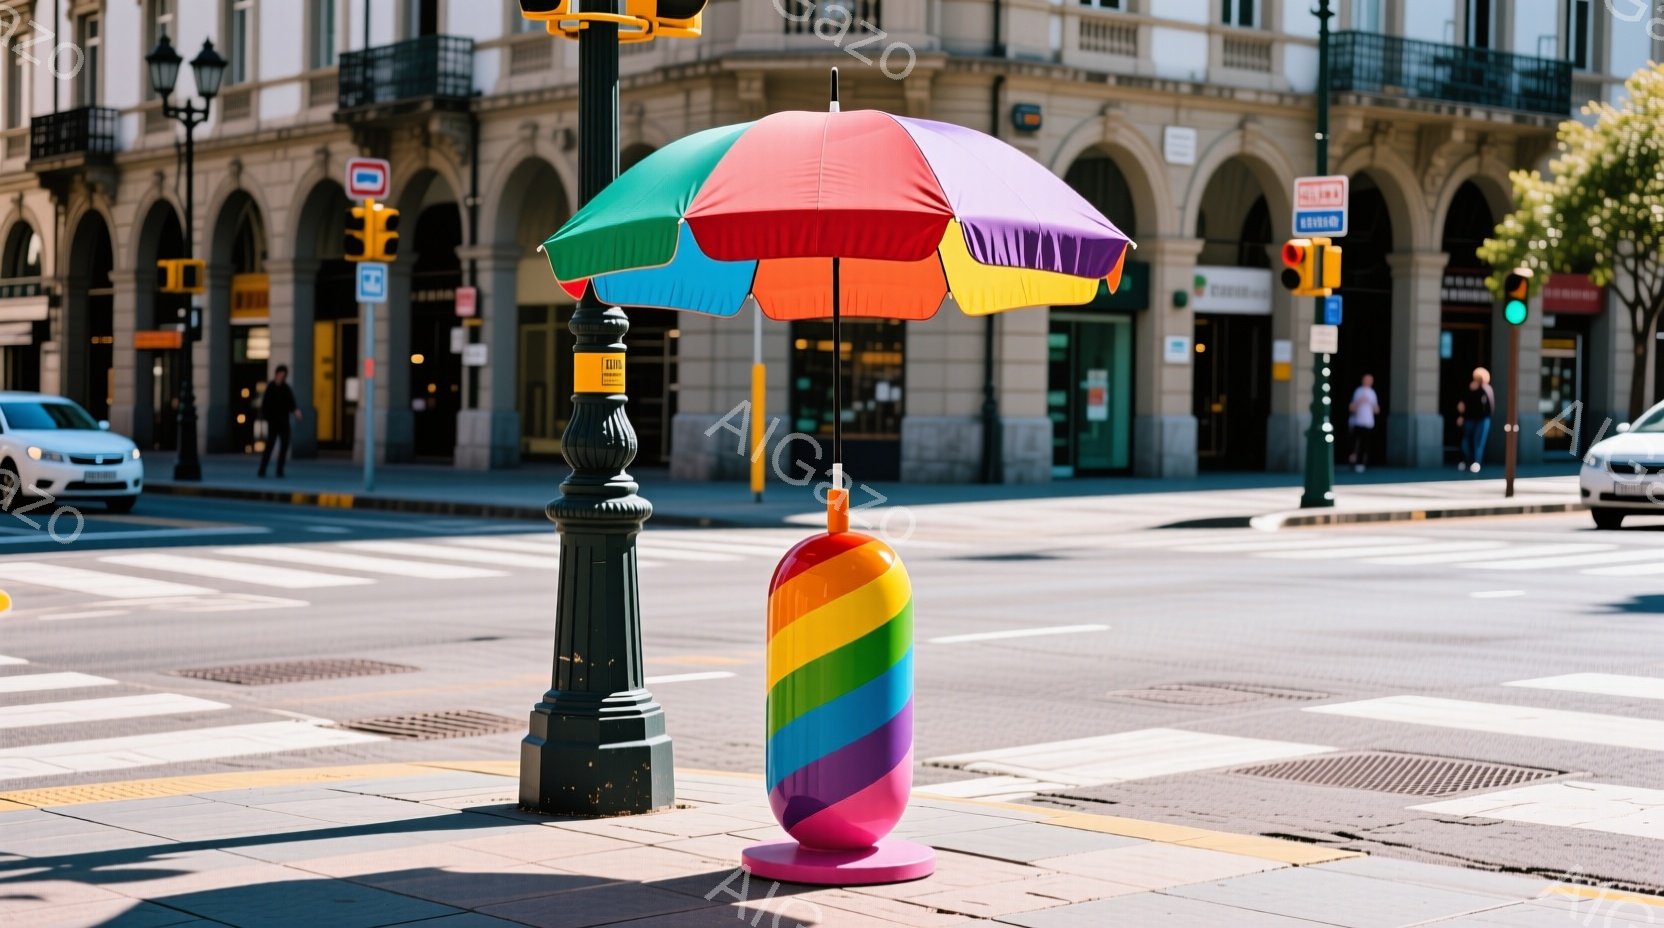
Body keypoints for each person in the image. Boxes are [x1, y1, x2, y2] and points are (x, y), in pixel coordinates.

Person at [258, 365, 301, 478]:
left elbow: (291, 402)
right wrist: (267, 417)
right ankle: (262, 469)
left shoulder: (286, 388)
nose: (282, 377)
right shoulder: (271, 387)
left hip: (284, 421)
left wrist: (295, 410)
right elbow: (265, 405)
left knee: (284, 445)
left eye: (283, 375)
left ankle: (279, 470)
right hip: (273, 422)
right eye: (280, 374)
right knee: (270, 446)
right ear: (276, 374)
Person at [1456, 366, 1494, 474]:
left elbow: (1490, 406)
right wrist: (1461, 416)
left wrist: (1487, 417)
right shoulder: (1469, 388)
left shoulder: (1486, 389)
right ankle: (1468, 460)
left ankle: (1476, 462)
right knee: (1466, 442)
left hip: (1482, 420)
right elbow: (1462, 404)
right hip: (1469, 419)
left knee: (1478, 442)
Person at [1347, 373, 1381, 473]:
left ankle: (1361, 463)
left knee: (1365, 444)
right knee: (1355, 443)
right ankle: (1352, 462)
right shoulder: (1358, 391)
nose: (1368, 382)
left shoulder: (1372, 392)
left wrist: (1372, 405)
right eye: (1366, 380)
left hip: (1368, 422)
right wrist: (1359, 401)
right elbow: (1351, 407)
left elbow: (1377, 410)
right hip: (1357, 422)